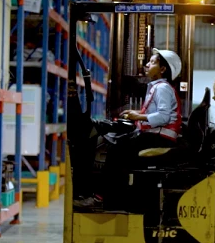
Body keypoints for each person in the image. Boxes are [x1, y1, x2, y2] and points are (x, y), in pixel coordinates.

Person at [73, 48, 184, 209]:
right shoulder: (158, 86)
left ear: (162, 69)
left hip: (159, 136)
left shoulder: (162, 88)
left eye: (152, 62)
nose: (147, 64)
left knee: (117, 149)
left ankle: (102, 198)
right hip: (155, 134)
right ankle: (109, 195)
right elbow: (156, 113)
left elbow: (164, 117)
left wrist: (138, 117)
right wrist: (136, 113)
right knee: (119, 144)